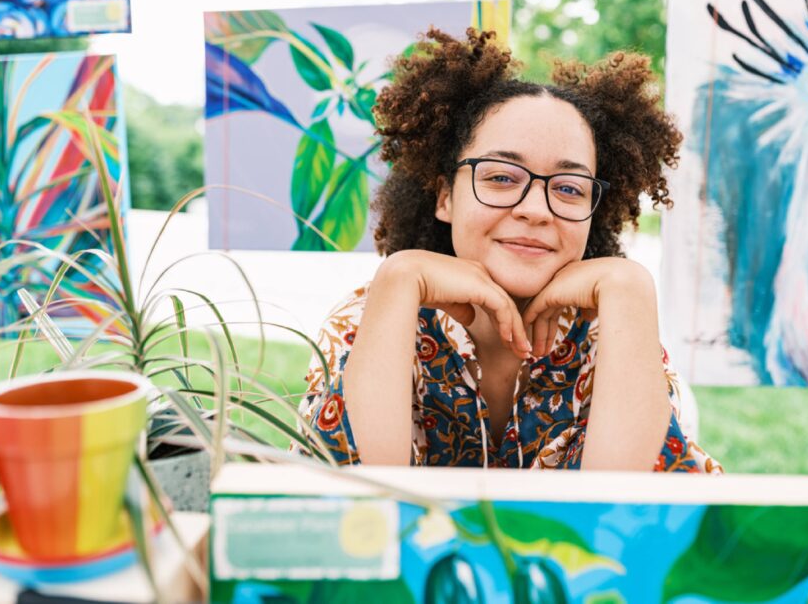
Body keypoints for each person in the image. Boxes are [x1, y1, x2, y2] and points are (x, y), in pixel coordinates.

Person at [294, 27, 721, 472]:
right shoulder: (371, 317)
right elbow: (357, 505)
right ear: (445, 197)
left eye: (570, 188)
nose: (536, 210)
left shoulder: (612, 331)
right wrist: (400, 278)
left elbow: (623, 510)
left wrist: (629, 285)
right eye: (501, 177)